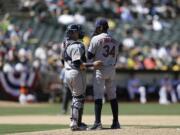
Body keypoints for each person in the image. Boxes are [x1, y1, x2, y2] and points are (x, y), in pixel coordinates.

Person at [63, 24, 103, 131]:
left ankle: (78, 122)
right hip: (76, 72)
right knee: (78, 97)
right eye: (77, 31)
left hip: (67, 72)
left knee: (77, 97)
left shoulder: (66, 43)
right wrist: (93, 65)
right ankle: (74, 122)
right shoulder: (76, 45)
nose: (80, 32)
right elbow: (77, 63)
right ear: (73, 32)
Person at [88, 18, 120, 130]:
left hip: (100, 70)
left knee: (98, 96)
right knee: (113, 96)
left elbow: (89, 56)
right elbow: (116, 59)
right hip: (111, 69)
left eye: (97, 26)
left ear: (101, 27)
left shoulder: (95, 39)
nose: (96, 28)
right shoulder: (115, 40)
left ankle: (97, 123)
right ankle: (116, 122)